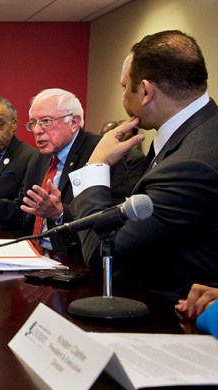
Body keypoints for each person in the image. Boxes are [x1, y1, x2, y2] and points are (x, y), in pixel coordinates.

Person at [68, 30, 218, 295]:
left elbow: (103, 253)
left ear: (146, 91)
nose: (124, 96)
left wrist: (96, 165)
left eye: (125, 87)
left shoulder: (191, 163)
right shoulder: (198, 131)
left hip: (172, 318)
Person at [0, 88, 131, 256]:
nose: (37, 131)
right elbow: (20, 213)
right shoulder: (40, 158)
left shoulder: (99, 152)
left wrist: (60, 214)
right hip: (32, 254)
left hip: (74, 260)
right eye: (33, 123)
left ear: (74, 122)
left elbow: (115, 217)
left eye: (46, 121)